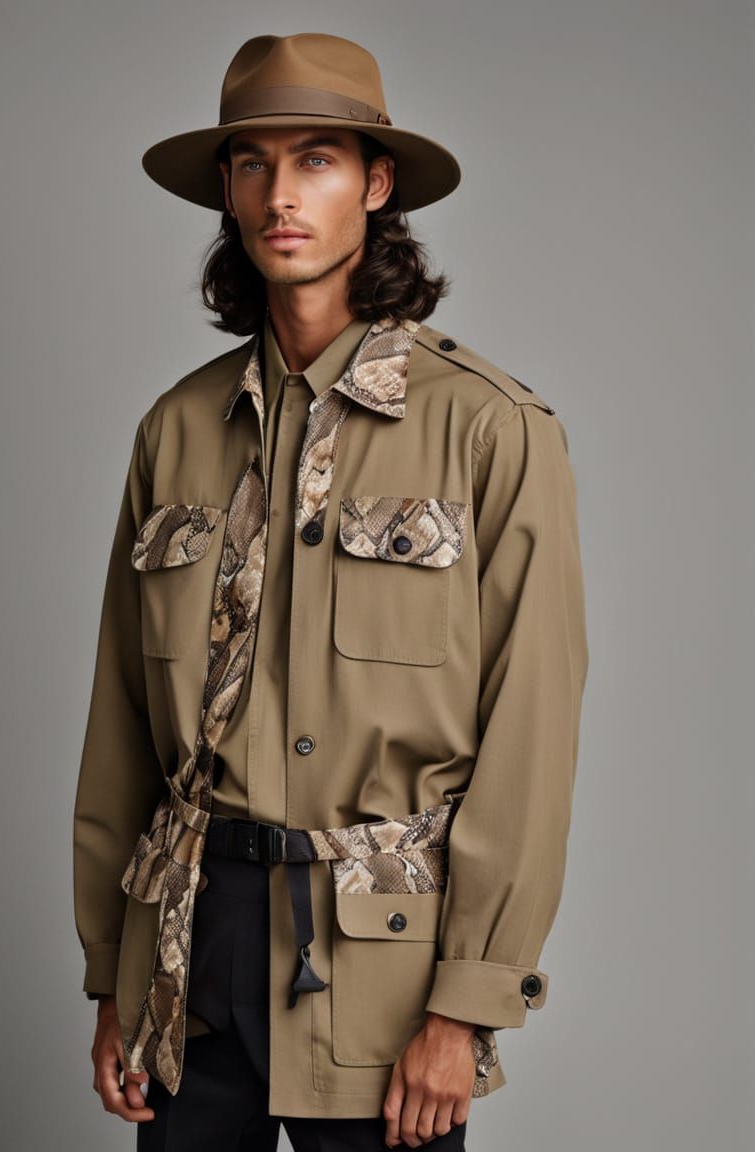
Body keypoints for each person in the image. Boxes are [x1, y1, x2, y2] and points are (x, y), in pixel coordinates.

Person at [73, 31, 589, 1152]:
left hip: (380, 971)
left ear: (376, 183)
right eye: (252, 164)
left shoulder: (489, 430)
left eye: (315, 159)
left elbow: (531, 734)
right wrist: (112, 974)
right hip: (188, 956)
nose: (280, 194)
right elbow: (120, 720)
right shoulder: (176, 429)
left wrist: (468, 1001)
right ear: (226, 190)